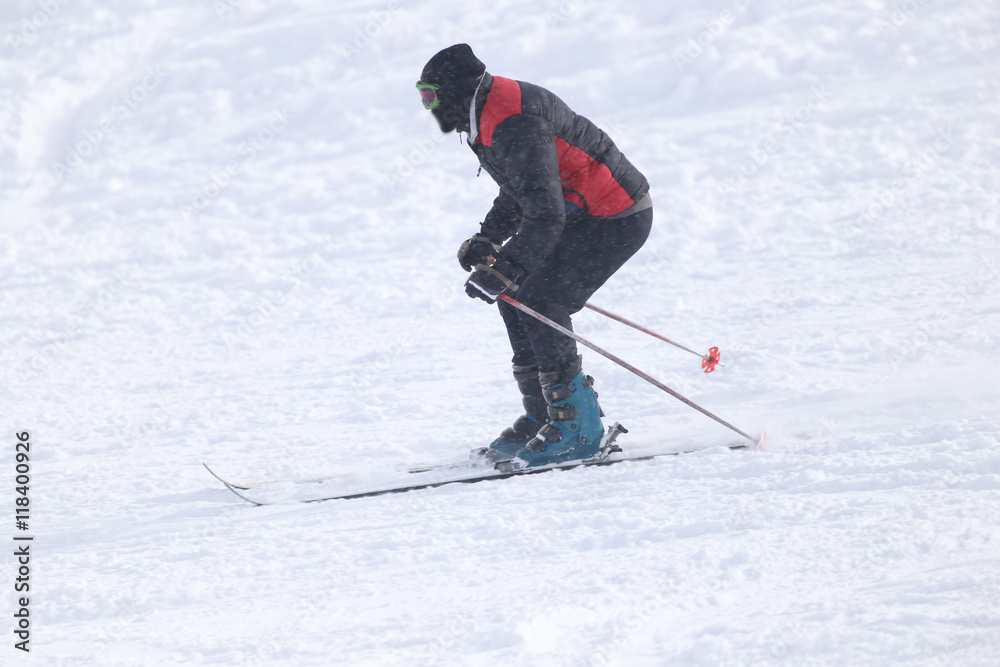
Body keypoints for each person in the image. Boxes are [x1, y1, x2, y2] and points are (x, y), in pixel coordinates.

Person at [416, 44, 652, 467]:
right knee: (516, 293)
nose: (428, 106)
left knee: (540, 299)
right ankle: (546, 414)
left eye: (430, 95)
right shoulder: (486, 113)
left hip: (614, 214)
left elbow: (545, 211)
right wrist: (490, 240)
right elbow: (521, 187)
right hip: (581, 211)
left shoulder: (512, 120)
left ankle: (579, 427)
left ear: (455, 90)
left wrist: (509, 267)